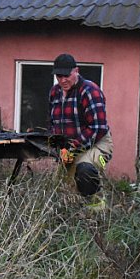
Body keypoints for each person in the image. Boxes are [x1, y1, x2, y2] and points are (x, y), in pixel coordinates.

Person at [49, 53, 113, 199]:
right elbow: (51, 123)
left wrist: (72, 148)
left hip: (98, 144)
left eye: (67, 75)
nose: (63, 80)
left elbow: (98, 128)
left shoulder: (90, 91)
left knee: (85, 170)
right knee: (61, 192)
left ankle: (96, 206)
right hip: (69, 148)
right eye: (59, 76)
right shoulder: (54, 92)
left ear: (76, 71)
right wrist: (56, 147)